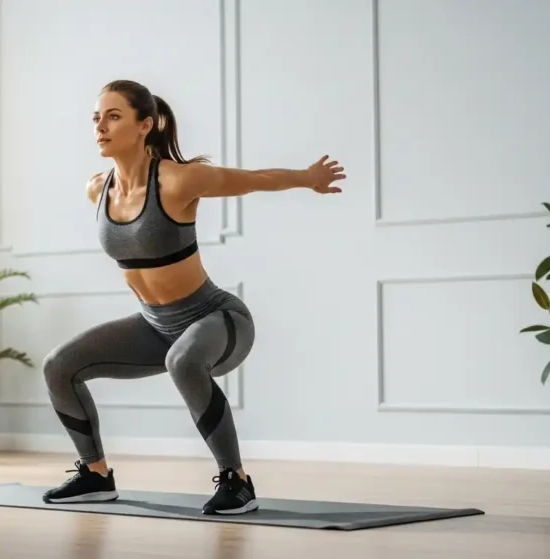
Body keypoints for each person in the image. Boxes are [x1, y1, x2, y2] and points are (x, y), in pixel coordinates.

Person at [40, 79, 346, 515]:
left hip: (217, 320)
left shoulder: (178, 181)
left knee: (182, 360)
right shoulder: (98, 189)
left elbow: (254, 180)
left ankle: (237, 482)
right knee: (58, 366)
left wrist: (307, 179)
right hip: (154, 325)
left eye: (113, 116)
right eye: (96, 118)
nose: (100, 127)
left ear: (145, 125)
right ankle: (95, 475)